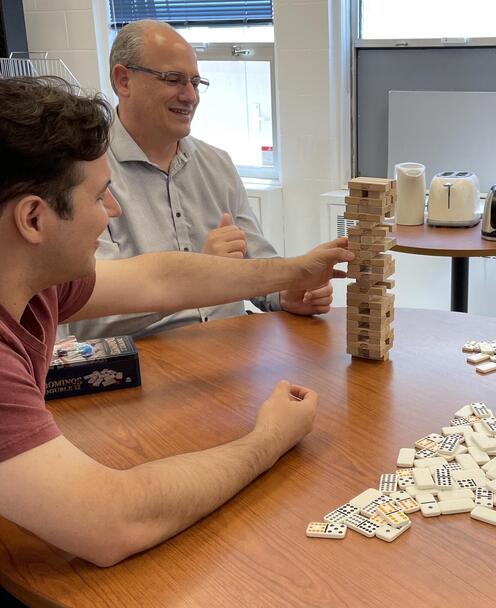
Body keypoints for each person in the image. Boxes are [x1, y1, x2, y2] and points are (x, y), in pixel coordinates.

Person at [0, 76, 354, 567]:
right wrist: (270, 437)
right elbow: (112, 520)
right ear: (33, 220)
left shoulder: (34, 280)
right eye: (99, 197)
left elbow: (160, 278)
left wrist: (295, 271)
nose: (112, 210)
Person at [67, 19, 332, 340]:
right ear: (123, 81)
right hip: (145, 357)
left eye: (195, 82)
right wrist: (202, 270)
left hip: (231, 347)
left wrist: (285, 292)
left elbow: (255, 260)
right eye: (174, 80)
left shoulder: (217, 164)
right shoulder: (86, 175)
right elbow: (88, 316)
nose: (191, 96)